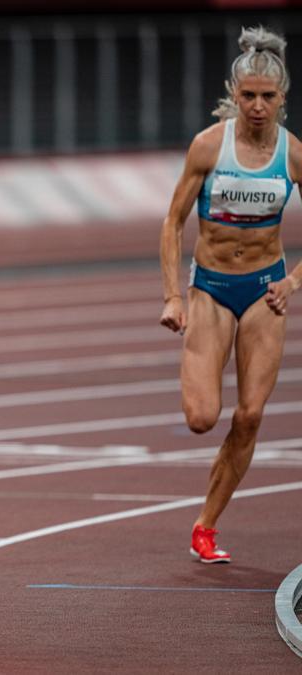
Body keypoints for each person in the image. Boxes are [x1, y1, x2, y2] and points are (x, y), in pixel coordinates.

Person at [159, 26, 302, 564]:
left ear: (282, 97)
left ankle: (206, 526)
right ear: (233, 93)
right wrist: (173, 295)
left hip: (264, 290)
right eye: (249, 96)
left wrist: (291, 283)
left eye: (268, 96)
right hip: (213, 289)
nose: (258, 106)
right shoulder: (208, 146)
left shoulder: (292, 154)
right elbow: (173, 221)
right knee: (201, 417)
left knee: (249, 417)